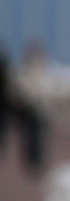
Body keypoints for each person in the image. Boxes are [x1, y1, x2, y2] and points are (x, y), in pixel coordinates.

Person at [0, 43, 46, 176]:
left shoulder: (29, 69)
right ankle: (34, 161)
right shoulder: (30, 68)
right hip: (18, 105)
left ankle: (33, 160)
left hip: (16, 105)